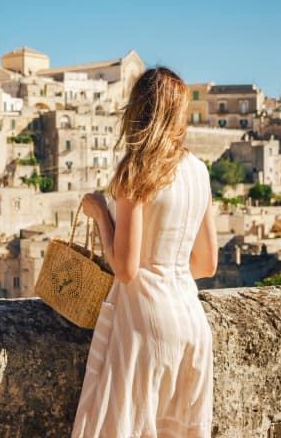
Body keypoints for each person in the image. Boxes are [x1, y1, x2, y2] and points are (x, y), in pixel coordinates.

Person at [72, 67, 218, 438]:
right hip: (192, 325)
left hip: (146, 323)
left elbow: (125, 268)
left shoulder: (136, 171)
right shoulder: (199, 171)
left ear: (138, 111)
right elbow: (207, 264)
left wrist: (101, 216)